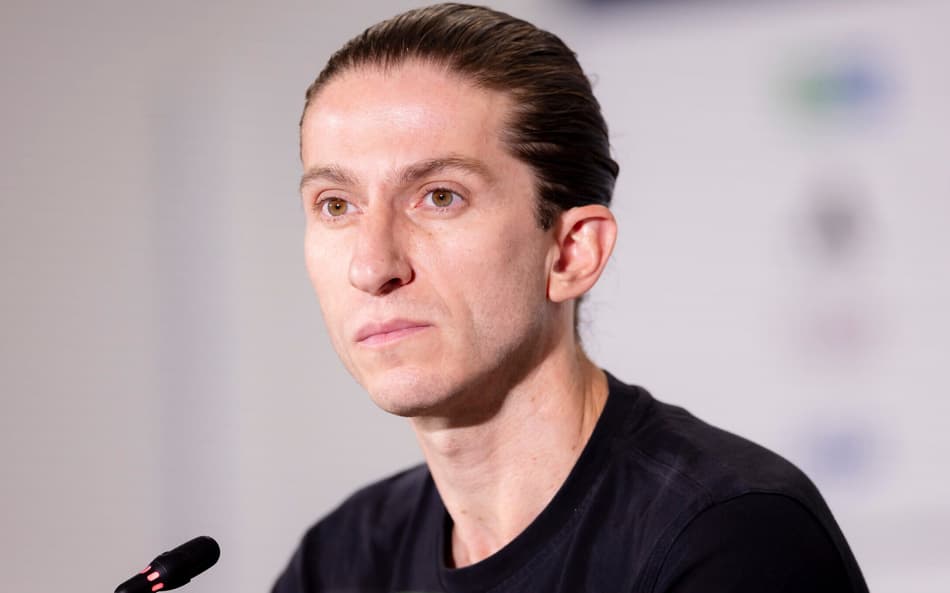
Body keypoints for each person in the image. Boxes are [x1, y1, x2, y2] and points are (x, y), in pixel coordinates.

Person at [273, 4, 869, 592]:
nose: (372, 265)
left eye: (440, 197)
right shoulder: (342, 559)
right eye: (336, 205)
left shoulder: (731, 537)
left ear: (571, 251)